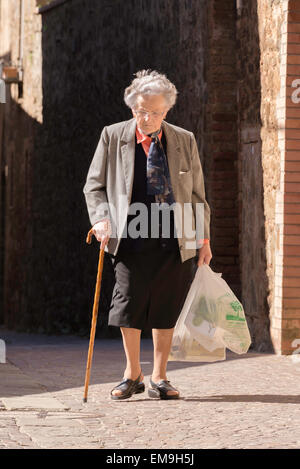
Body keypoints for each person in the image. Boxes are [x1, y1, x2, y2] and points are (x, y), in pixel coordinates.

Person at [83, 70, 212, 400]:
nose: (147, 117)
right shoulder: (113, 137)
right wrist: (100, 219)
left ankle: (159, 376)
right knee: (128, 303)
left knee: (166, 305)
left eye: (155, 112)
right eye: (141, 110)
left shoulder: (184, 140)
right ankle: (132, 373)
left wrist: (204, 240)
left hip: (173, 235)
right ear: (132, 107)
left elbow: (197, 194)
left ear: (167, 110)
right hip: (129, 235)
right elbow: (94, 186)